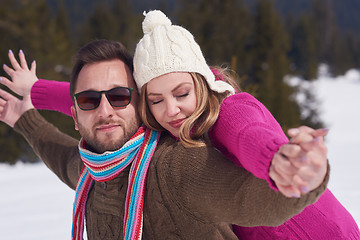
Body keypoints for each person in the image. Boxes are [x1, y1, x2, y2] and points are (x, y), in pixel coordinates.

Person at [1, 10, 358, 239]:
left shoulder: (227, 111)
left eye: (182, 92)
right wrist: (34, 91)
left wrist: (278, 160)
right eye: (155, 100)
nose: (172, 110)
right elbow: (98, 103)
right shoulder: (130, 134)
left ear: (201, 81)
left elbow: (250, 135)